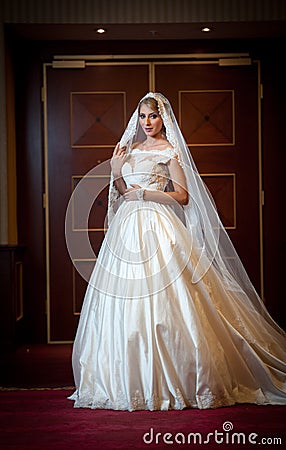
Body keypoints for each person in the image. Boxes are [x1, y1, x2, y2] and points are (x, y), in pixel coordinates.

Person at [68, 92, 286, 411]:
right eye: (142, 117)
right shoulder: (128, 151)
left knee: (171, 299)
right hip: (126, 230)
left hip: (158, 226)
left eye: (153, 116)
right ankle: (127, 379)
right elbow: (124, 193)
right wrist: (116, 170)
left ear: (163, 118)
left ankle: (177, 378)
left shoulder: (170, 151)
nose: (147, 123)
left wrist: (146, 193)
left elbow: (182, 196)